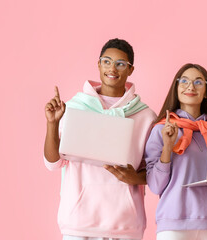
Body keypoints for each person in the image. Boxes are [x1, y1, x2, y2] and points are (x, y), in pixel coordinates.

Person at [44, 38, 156, 240]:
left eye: (121, 63)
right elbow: (53, 163)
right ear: (98, 64)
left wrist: (135, 178)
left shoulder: (146, 117)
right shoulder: (73, 108)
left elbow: (156, 172)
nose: (112, 68)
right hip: (78, 223)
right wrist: (52, 123)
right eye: (106, 61)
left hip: (126, 224)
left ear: (130, 70)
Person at [144, 63, 207, 240]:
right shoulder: (162, 129)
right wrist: (168, 147)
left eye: (198, 82)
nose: (190, 86)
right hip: (173, 223)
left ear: (206, 91)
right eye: (184, 81)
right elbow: (155, 185)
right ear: (176, 88)